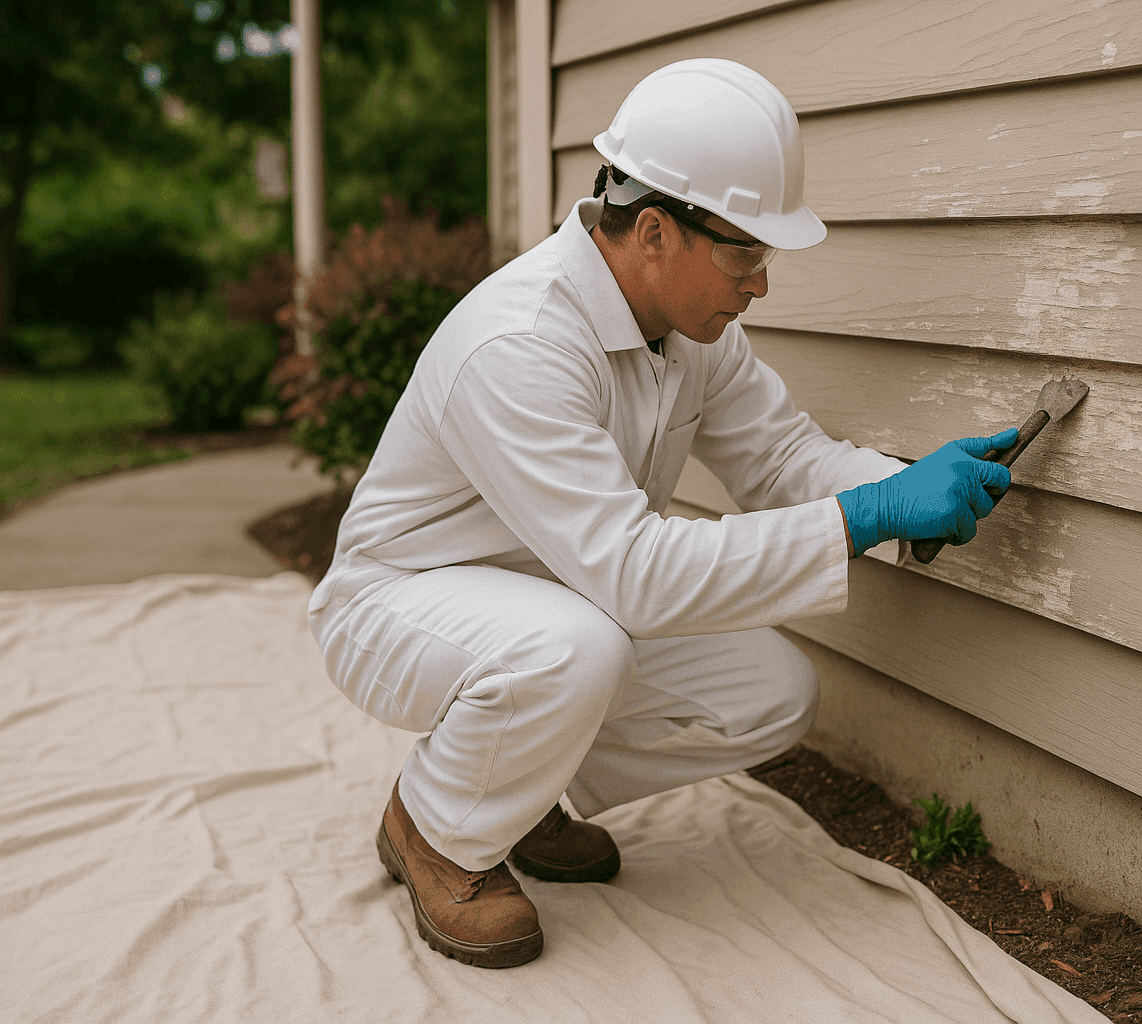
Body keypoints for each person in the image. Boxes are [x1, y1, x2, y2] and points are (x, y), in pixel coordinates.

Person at [308, 58, 1015, 969]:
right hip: (399, 603)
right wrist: (867, 515)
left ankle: (513, 794)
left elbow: (781, 459)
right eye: (746, 253)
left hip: (561, 596)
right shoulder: (520, 344)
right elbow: (634, 578)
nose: (760, 283)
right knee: (576, 646)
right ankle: (436, 829)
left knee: (769, 694)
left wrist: (907, 481)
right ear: (653, 229)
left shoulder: (689, 335)